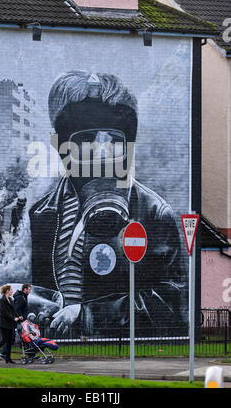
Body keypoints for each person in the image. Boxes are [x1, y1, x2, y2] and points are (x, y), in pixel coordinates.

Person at [28, 70, 187, 337]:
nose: (101, 152)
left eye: (114, 140)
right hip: (58, 352)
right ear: (59, 146)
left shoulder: (154, 214)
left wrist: (88, 316)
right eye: (86, 139)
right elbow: (42, 291)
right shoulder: (43, 214)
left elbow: (173, 303)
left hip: (113, 351)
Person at [0, 285, 22, 364]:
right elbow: (5, 312)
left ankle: (8, 358)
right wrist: (13, 318)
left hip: (10, 323)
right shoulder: (2, 300)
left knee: (10, 341)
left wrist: (18, 316)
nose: (12, 291)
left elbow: (13, 311)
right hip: (4, 323)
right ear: (7, 291)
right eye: (11, 290)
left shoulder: (10, 299)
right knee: (4, 340)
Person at [0, 283, 31, 360]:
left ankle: (30, 354)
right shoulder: (21, 297)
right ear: (25, 289)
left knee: (22, 337)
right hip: (19, 321)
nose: (30, 291)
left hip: (21, 320)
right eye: (29, 290)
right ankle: (3, 353)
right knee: (17, 337)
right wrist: (19, 317)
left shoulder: (23, 297)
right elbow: (16, 309)